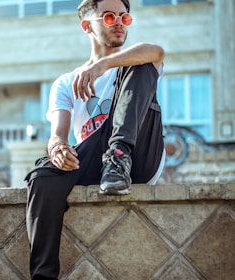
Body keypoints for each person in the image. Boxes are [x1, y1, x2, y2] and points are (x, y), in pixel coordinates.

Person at [25, 0, 165, 279]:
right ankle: (43, 276)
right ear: (87, 25)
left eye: (124, 18)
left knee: (140, 63)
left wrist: (104, 65)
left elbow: (157, 51)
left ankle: (119, 155)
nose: (118, 23)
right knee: (41, 174)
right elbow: (58, 133)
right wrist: (57, 149)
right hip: (93, 160)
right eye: (109, 16)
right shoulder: (66, 82)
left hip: (137, 155)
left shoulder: (132, 63)